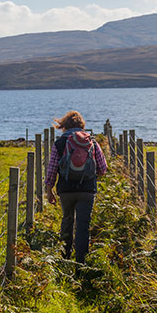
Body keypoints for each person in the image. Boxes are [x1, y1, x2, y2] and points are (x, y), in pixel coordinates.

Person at [45, 110, 107, 264]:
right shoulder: (92, 141)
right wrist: (89, 175)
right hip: (87, 189)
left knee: (67, 221)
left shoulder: (59, 143)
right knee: (83, 226)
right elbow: (103, 168)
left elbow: (52, 169)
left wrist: (49, 190)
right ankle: (81, 263)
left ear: (64, 126)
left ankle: (64, 258)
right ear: (82, 126)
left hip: (65, 190)